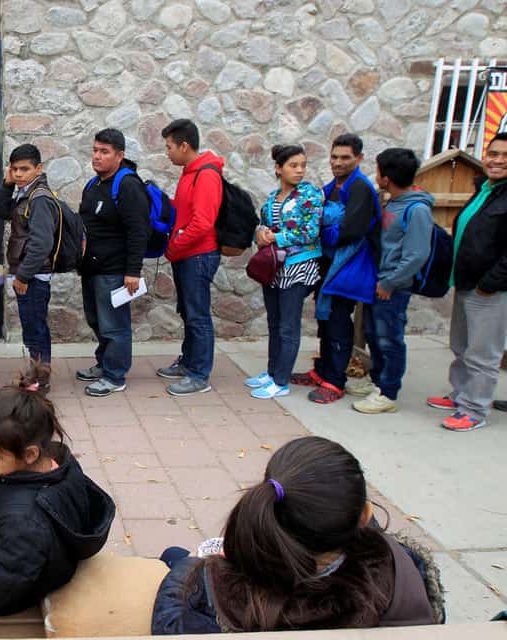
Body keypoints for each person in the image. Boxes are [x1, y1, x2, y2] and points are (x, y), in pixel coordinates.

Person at [151, 436, 443, 634]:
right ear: (365, 515)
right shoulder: (406, 567)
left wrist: (188, 570)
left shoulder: (211, 588)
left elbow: (169, 627)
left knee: (176, 557)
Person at [0, 362, 115, 615]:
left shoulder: (24, 521)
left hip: (14, 591)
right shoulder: (55, 466)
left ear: (29, 454)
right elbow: (4, 513)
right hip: (27, 561)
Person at [291, 134, 381, 404]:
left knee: (339, 321)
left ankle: (335, 380)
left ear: (359, 159)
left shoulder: (361, 189)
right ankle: (322, 371)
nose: (338, 163)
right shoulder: (334, 187)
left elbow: (351, 231)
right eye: (334, 157)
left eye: (345, 158)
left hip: (347, 267)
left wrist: (321, 231)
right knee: (325, 320)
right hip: (328, 265)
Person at [427, 132, 507, 432]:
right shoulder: (486, 188)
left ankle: (474, 409)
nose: (497, 160)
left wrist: (491, 283)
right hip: (467, 282)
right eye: (493, 153)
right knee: (461, 344)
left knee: (483, 352)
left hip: (489, 289)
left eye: (504, 156)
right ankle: (460, 394)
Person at [349, 149, 434, 414]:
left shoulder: (417, 209)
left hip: (394, 286)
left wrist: (391, 282)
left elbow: (417, 254)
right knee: (374, 333)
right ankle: (377, 381)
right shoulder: (392, 202)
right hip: (380, 281)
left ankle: (388, 392)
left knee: (390, 338)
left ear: (386, 177)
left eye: (378, 171)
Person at [244, 145, 323, 400]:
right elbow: (264, 223)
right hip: (274, 267)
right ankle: (271, 372)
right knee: (275, 323)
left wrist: (275, 236)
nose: (300, 170)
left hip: (298, 267)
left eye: (302, 165)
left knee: (288, 326)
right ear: (278, 168)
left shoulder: (309, 195)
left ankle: (281, 380)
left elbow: (310, 232)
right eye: (293, 165)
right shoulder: (273, 197)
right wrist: (260, 233)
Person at [76, 129, 150, 397]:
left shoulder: (128, 185)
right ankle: (104, 362)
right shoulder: (94, 184)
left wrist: (133, 271)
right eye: (95, 150)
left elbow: (138, 231)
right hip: (92, 268)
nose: (97, 156)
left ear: (119, 156)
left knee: (114, 326)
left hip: (115, 271)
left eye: (104, 152)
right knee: (96, 320)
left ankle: (115, 375)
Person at [156, 119, 224, 396]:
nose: (167, 152)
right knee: (188, 312)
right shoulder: (189, 172)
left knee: (198, 316)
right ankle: (189, 362)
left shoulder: (206, 174)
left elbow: (202, 223)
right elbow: (185, 212)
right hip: (186, 254)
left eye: (169, 147)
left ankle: (199, 374)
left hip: (197, 255)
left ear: (184, 145)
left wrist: (174, 247)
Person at [0, 144, 57, 391]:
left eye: (24, 169)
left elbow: (42, 243)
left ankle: (40, 379)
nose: (18, 174)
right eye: (14, 169)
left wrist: (23, 275)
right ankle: (39, 372)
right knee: (34, 325)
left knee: (35, 327)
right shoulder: (25, 193)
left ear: (38, 168)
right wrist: (7, 184)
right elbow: (1, 211)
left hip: (33, 275)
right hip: (30, 273)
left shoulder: (39, 198)